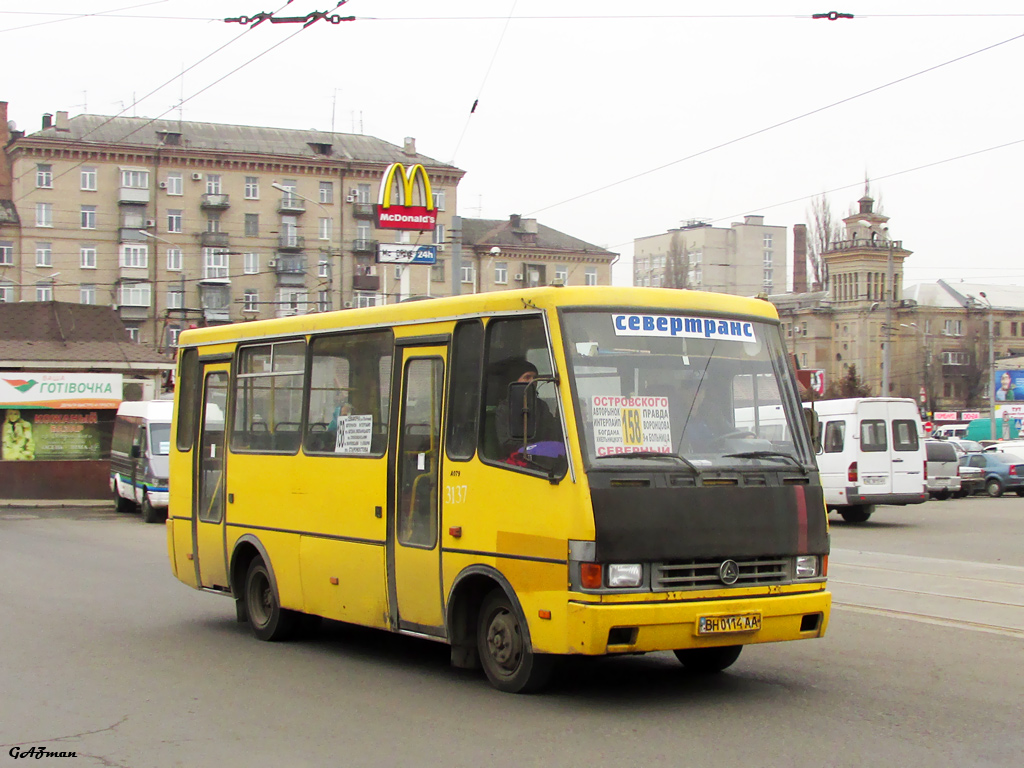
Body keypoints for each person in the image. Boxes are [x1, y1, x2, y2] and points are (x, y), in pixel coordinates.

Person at [493, 359, 561, 460]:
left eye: (535, 378)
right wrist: (535, 449)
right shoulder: (504, 408)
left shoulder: (541, 406)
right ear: (515, 381)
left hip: (543, 459)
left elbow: (550, 434)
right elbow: (506, 443)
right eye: (527, 377)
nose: (532, 382)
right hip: (517, 462)